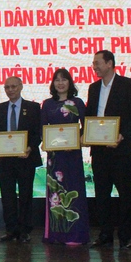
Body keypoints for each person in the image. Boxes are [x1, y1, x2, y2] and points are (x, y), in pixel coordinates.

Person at [86, 50, 131, 250]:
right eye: (93, 63)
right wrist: (84, 134)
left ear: (109, 63)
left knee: (124, 193)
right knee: (102, 194)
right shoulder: (93, 88)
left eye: (97, 63)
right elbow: (90, 116)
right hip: (99, 150)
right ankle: (105, 234)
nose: (94, 67)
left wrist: (122, 135)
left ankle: (125, 237)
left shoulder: (128, 84)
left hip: (121, 149)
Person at [40, 69, 90, 245]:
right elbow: (42, 129)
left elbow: (86, 126)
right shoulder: (47, 104)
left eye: (64, 80)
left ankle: (76, 235)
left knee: (74, 191)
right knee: (56, 194)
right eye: (57, 80)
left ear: (70, 82)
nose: (60, 83)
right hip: (55, 157)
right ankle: (56, 234)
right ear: (53, 83)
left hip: (72, 155)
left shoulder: (78, 103)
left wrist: (78, 139)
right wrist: (46, 141)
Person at [0, 76, 42, 243]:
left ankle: (25, 230)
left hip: (26, 158)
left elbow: (37, 133)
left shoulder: (33, 107)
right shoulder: (0, 108)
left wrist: (30, 147)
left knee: (26, 195)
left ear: (21, 86)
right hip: (5, 160)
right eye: (7, 87)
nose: (10, 90)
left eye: (14, 86)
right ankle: (11, 230)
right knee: (7, 196)